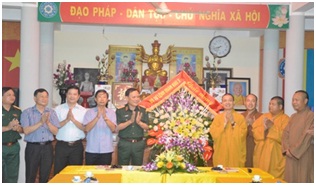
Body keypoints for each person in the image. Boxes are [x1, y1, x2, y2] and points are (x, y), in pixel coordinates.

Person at [20, 88, 60, 183]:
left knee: (45, 176)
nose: (44, 99)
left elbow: (56, 132)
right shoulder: (27, 112)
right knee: (30, 176)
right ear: (35, 98)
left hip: (47, 147)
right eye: (41, 96)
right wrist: (41, 122)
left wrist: (48, 122)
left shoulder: (52, 112)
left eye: (46, 97)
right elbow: (26, 130)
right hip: (33, 147)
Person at [252, 96, 289, 179]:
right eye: (269, 104)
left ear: (280, 107)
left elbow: (285, 137)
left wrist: (271, 127)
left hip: (276, 156)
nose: (270, 106)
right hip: (261, 154)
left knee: (274, 178)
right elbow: (255, 130)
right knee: (261, 176)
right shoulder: (264, 116)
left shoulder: (285, 119)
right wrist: (264, 129)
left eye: (273, 104)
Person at [282, 90, 314, 183]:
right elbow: (285, 133)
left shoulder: (311, 116)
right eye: (293, 100)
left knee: (302, 178)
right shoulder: (293, 116)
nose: (294, 102)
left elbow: (307, 136)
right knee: (290, 178)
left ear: (305, 101)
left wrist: (294, 151)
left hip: (304, 154)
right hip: (290, 154)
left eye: (297, 100)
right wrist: (287, 149)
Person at [53, 86, 87, 175]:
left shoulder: (83, 111)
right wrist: (67, 120)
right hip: (61, 146)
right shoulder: (58, 109)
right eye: (70, 94)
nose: (72, 96)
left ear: (79, 96)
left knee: (75, 174)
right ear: (66, 95)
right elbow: (55, 126)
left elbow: (85, 128)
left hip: (77, 146)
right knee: (59, 174)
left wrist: (74, 120)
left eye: (75, 94)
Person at [210, 93, 247, 167]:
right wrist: (224, 124)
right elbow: (213, 134)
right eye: (225, 101)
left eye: (230, 100)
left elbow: (243, 134)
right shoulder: (217, 118)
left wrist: (233, 122)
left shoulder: (240, 118)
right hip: (221, 153)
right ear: (222, 103)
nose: (227, 103)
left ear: (233, 103)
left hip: (235, 154)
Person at [116, 88, 149, 165]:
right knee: (122, 167)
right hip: (124, 143)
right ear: (127, 98)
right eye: (134, 97)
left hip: (138, 144)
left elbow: (147, 127)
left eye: (138, 97)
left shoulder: (143, 110)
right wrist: (130, 121)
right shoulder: (120, 111)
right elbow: (117, 128)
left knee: (137, 168)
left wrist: (139, 122)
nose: (136, 99)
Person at [83, 89, 117, 165]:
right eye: (99, 97)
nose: (102, 99)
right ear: (95, 99)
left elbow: (113, 129)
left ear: (107, 99)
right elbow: (86, 129)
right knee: (90, 174)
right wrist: (97, 117)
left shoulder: (111, 113)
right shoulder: (89, 112)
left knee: (104, 174)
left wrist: (105, 118)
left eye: (104, 97)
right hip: (91, 149)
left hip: (106, 149)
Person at [2, 87, 23, 183]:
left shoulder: (17, 111)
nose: (12, 97)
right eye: (9, 95)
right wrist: (8, 127)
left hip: (14, 146)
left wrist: (18, 128)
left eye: (13, 95)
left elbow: (22, 129)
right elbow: (8, 127)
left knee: (12, 175)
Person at [241, 94, 262, 167]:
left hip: (254, 146)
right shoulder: (240, 116)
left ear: (256, 103)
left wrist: (253, 124)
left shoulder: (261, 117)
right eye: (248, 101)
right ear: (244, 103)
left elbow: (261, 134)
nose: (250, 103)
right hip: (241, 145)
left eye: (253, 101)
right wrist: (245, 124)